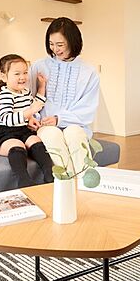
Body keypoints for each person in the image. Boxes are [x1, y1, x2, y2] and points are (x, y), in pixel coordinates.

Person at [29, 18, 100, 173]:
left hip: (76, 124)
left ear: (72, 42)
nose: (55, 49)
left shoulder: (89, 72)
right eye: (51, 44)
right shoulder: (39, 66)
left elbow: (87, 109)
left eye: (60, 45)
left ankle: (86, 182)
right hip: (45, 126)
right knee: (52, 135)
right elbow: (29, 98)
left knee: (74, 135)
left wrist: (59, 119)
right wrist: (34, 118)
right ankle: (67, 181)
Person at [0, 54, 55, 187]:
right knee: (18, 145)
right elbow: (7, 119)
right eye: (17, 74)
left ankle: (49, 174)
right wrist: (30, 112)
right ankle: (24, 180)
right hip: (4, 133)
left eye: (25, 73)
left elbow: (35, 104)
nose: (22, 77)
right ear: (4, 77)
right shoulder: (5, 95)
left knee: (36, 141)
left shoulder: (25, 92)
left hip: (22, 130)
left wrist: (42, 87)